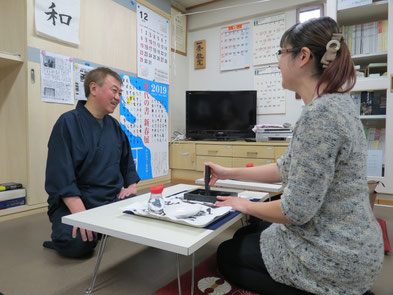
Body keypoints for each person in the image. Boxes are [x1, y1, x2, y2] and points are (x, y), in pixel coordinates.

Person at [208, 17, 384, 295]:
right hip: (352, 241)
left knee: (227, 255)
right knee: (247, 233)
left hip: (337, 255)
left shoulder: (320, 115)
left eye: (281, 53)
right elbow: (284, 167)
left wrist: (242, 204)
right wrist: (229, 173)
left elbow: (294, 211)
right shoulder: (336, 104)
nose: (278, 63)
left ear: (302, 57)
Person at [43, 67, 140, 258]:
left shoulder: (114, 126)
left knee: (150, 217)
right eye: (114, 91)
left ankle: (102, 227)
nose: (118, 98)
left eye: (120, 93)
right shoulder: (67, 123)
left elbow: (126, 162)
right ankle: (71, 234)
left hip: (110, 199)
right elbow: (60, 175)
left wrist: (131, 185)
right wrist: (81, 216)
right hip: (76, 202)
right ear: (93, 88)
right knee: (78, 245)